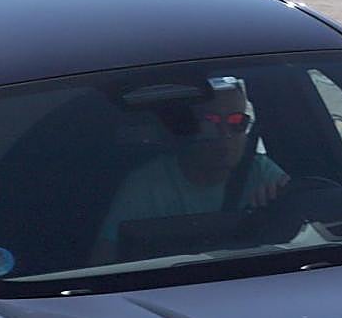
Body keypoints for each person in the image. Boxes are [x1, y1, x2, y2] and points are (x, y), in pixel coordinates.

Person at [90, 77, 288, 265]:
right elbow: (104, 261)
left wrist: (280, 204)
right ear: (186, 129)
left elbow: (300, 227)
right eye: (210, 122)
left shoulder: (261, 172)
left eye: (237, 122)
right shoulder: (146, 186)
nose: (225, 134)